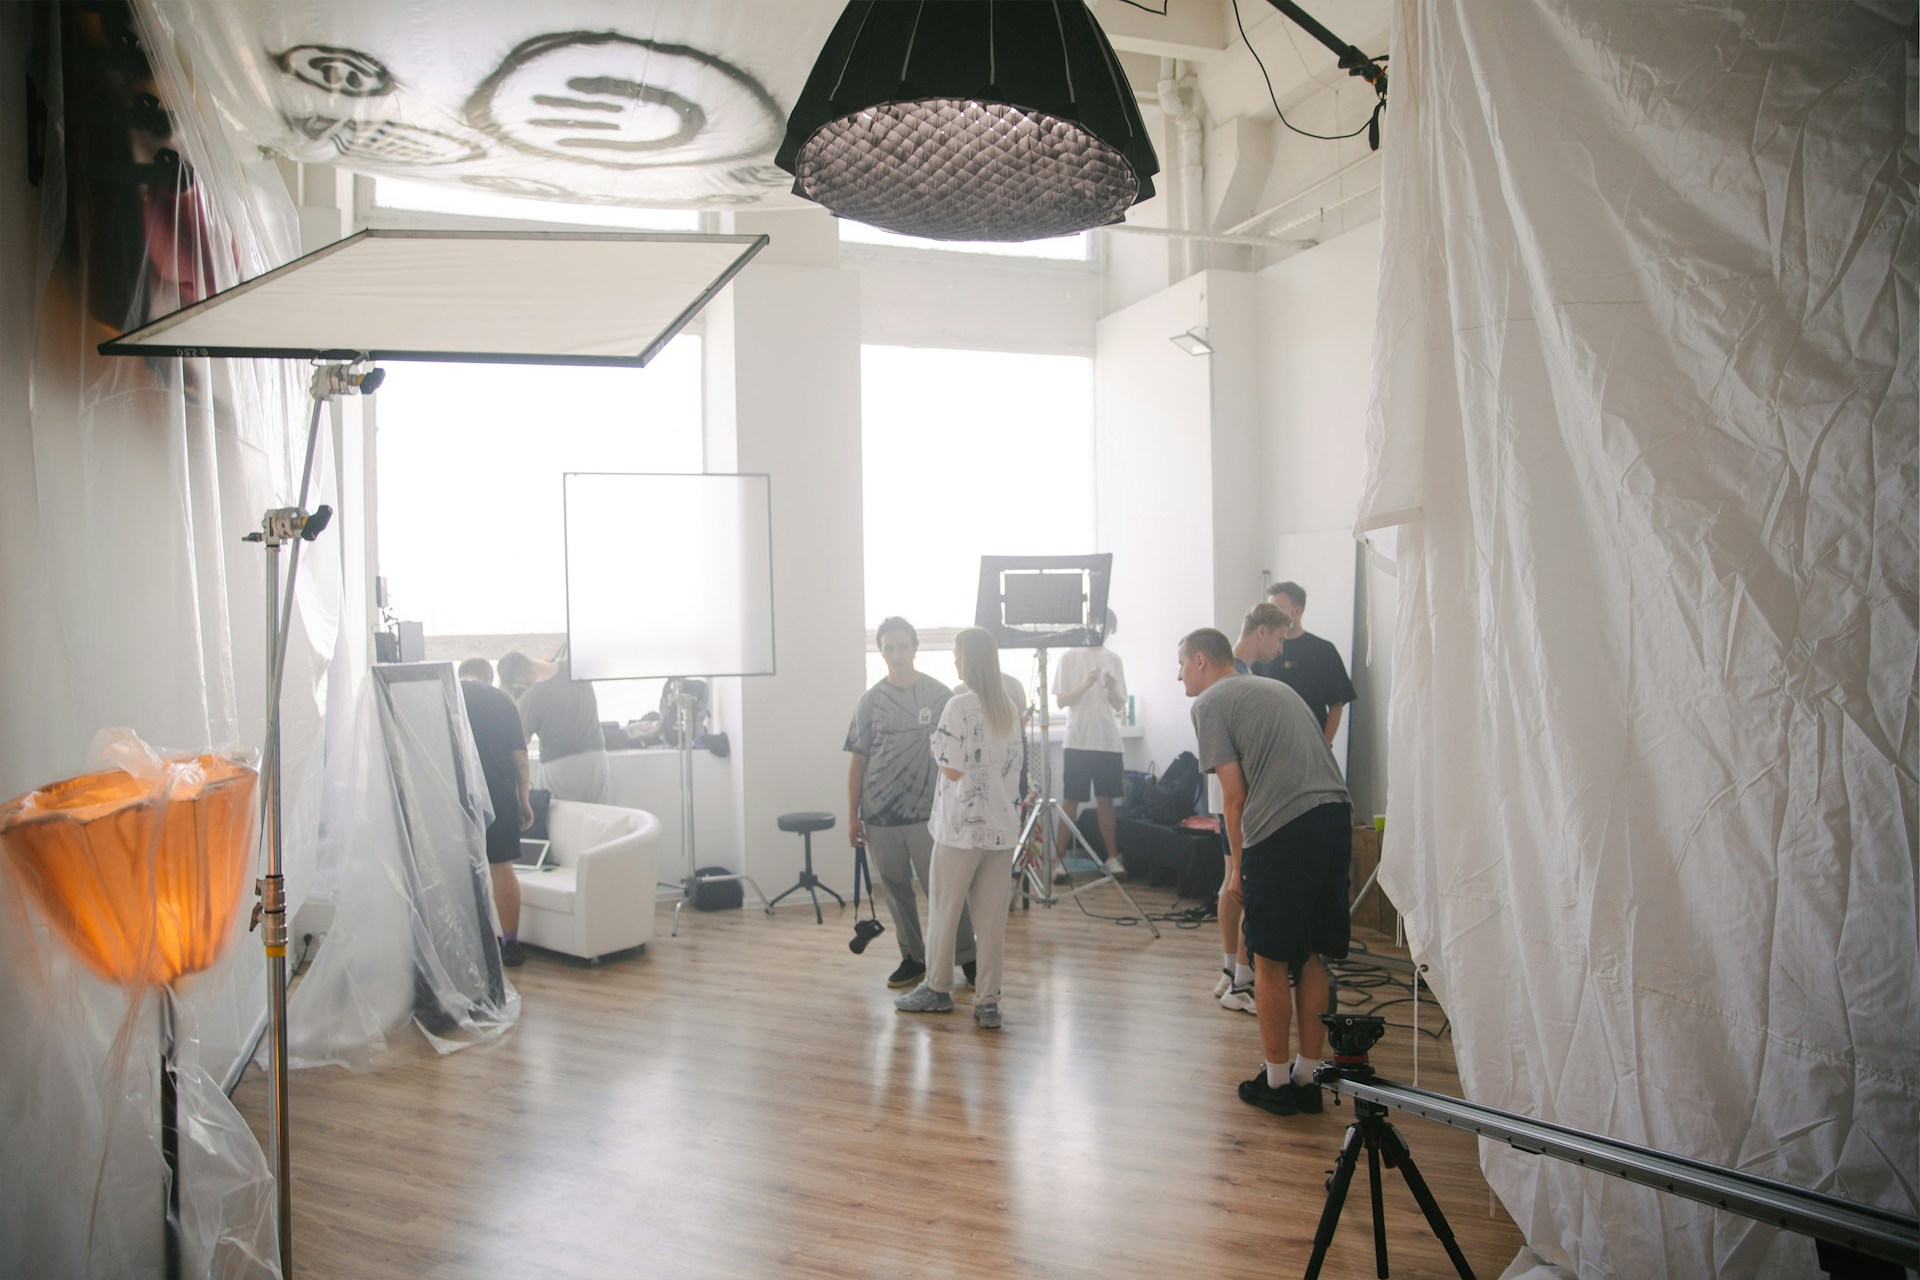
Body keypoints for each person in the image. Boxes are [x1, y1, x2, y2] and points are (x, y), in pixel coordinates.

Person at [1180, 627, 1353, 1117]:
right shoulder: (1275, 687)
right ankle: (1307, 1077)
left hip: (1284, 827)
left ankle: (1275, 1085)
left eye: (1181, 666)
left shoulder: (1211, 702)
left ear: (1200, 661)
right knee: (1314, 953)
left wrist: (1235, 868)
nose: (1179, 677)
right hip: (1335, 815)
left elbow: (1234, 797)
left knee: (1270, 959)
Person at [896, 627, 1024, 1029]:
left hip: (961, 831)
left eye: (956, 654)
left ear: (969, 659)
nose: (953, 660)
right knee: (991, 923)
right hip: (1002, 831)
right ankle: (987, 1001)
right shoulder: (1009, 707)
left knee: (945, 911)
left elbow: (952, 769)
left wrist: (936, 744)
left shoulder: (959, 706)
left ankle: (936, 988)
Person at [845, 617, 976, 991]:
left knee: (945, 889)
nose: (897, 654)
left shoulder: (939, 696)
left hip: (929, 816)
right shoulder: (869, 702)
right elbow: (857, 760)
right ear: (881, 652)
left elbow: (959, 755)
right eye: (889, 647)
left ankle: (966, 955)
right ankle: (913, 957)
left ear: (915, 649)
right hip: (880, 814)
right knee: (894, 887)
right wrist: (852, 815)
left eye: (903, 646)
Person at [1214, 600, 1292, 1012]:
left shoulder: (1243, 677)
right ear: (1260, 632)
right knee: (1241, 882)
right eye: (1278, 638)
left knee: (1231, 879)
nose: (1281, 648)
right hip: (1236, 796)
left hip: (1231, 794)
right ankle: (1239, 980)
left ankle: (1231, 972)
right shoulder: (1237, 679)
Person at [458, 657, 534, 967]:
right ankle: (511, 943)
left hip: (455, 792)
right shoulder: (501, 699)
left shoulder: (444, 692)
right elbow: (520, 755)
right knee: (501, 867)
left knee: (458, 870)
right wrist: (524, 799)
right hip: (499, 790)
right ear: (490, 676)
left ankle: (467, 944)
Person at [1053, 611, 1128, 876]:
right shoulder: (1070, 657)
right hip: (1078, 741)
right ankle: (1058, 861)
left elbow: (1119, 706)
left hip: (1108, 741)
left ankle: (1112, 858)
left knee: (1106, 800)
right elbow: (1061, 701)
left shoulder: (1114, 659)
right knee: (1071, 800)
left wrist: (1111, 689)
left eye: (1108, 627)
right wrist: (1084, 685)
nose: (1103, 631)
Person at [498, 649, 614, 804]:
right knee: (602, 818)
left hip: (560, 766)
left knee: (565, 822)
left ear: (520, 678)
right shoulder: (573, 667)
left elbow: (521, 741)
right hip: (596, 758)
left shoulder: (530, 698)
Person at [1250, 582, 1356, 746]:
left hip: (1310, 746)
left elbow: (1336, 705)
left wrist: (1324, 746)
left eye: (1278, 608)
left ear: (1297, 611)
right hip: (1271, 747)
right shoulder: (1262, 652)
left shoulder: (1323, 650)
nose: (1271, 616)